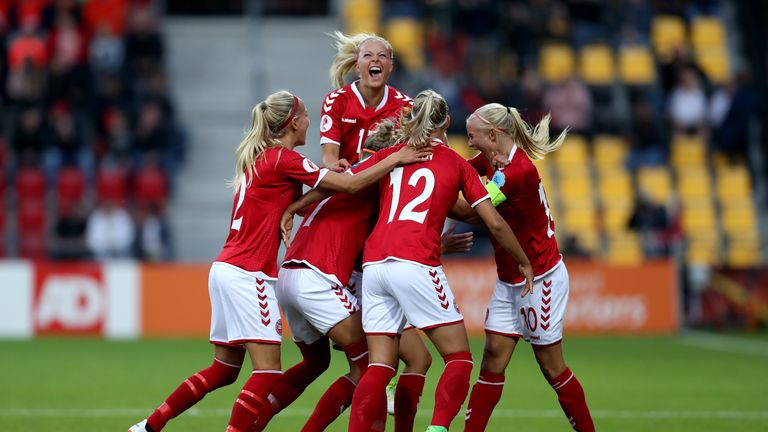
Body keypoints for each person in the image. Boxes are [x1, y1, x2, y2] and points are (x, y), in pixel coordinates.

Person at [128, 90, 431, 432]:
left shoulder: (263, 159)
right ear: (291, 123)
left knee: (225, 370)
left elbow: (323, 186)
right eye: (304, 116)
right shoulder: (283, 158)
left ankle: (148, 426)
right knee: (272, 371)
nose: (309, 122)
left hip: (226, 268)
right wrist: (397, 157)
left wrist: (322, 180)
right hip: (250, 273)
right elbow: (348, 187)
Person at [260, 119, 472, 432]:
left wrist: (293, 207)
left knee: (412, 358)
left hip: (296, 273)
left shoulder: (347, 176)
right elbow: (392, 236)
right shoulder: (375, 182)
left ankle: (250, 423)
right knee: (372, 367)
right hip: (329, 278)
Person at [347, 90, 534, 432]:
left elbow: (349, 181)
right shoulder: (455, 162)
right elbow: (492, 221)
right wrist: (523, 261)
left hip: (374, 265)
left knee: (379, 366)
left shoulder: (392, 155)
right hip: (415, 262)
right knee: (459, 358)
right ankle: (437, 429)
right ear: (447, 122)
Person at [319, 30, 435, 430]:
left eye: (382, 56)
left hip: (385, 223)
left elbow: (415, 163)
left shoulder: (403, 106)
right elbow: (331, 165)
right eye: (367, 55)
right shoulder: (337, 101)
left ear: (390, 65)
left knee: (404, 359)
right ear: (356, 64)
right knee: (383, 359)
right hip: (349, 219)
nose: (375, 61)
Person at [459, 103, 595, 432]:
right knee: (492, 358)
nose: (470, 142)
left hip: (540, 278)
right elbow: (460, 171)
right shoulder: (493, 160)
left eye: (472, 136)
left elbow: (474, 213)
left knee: (551, 367)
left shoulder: (516, 171)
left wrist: (436, 198)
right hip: (509, 279)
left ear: (492, 134)